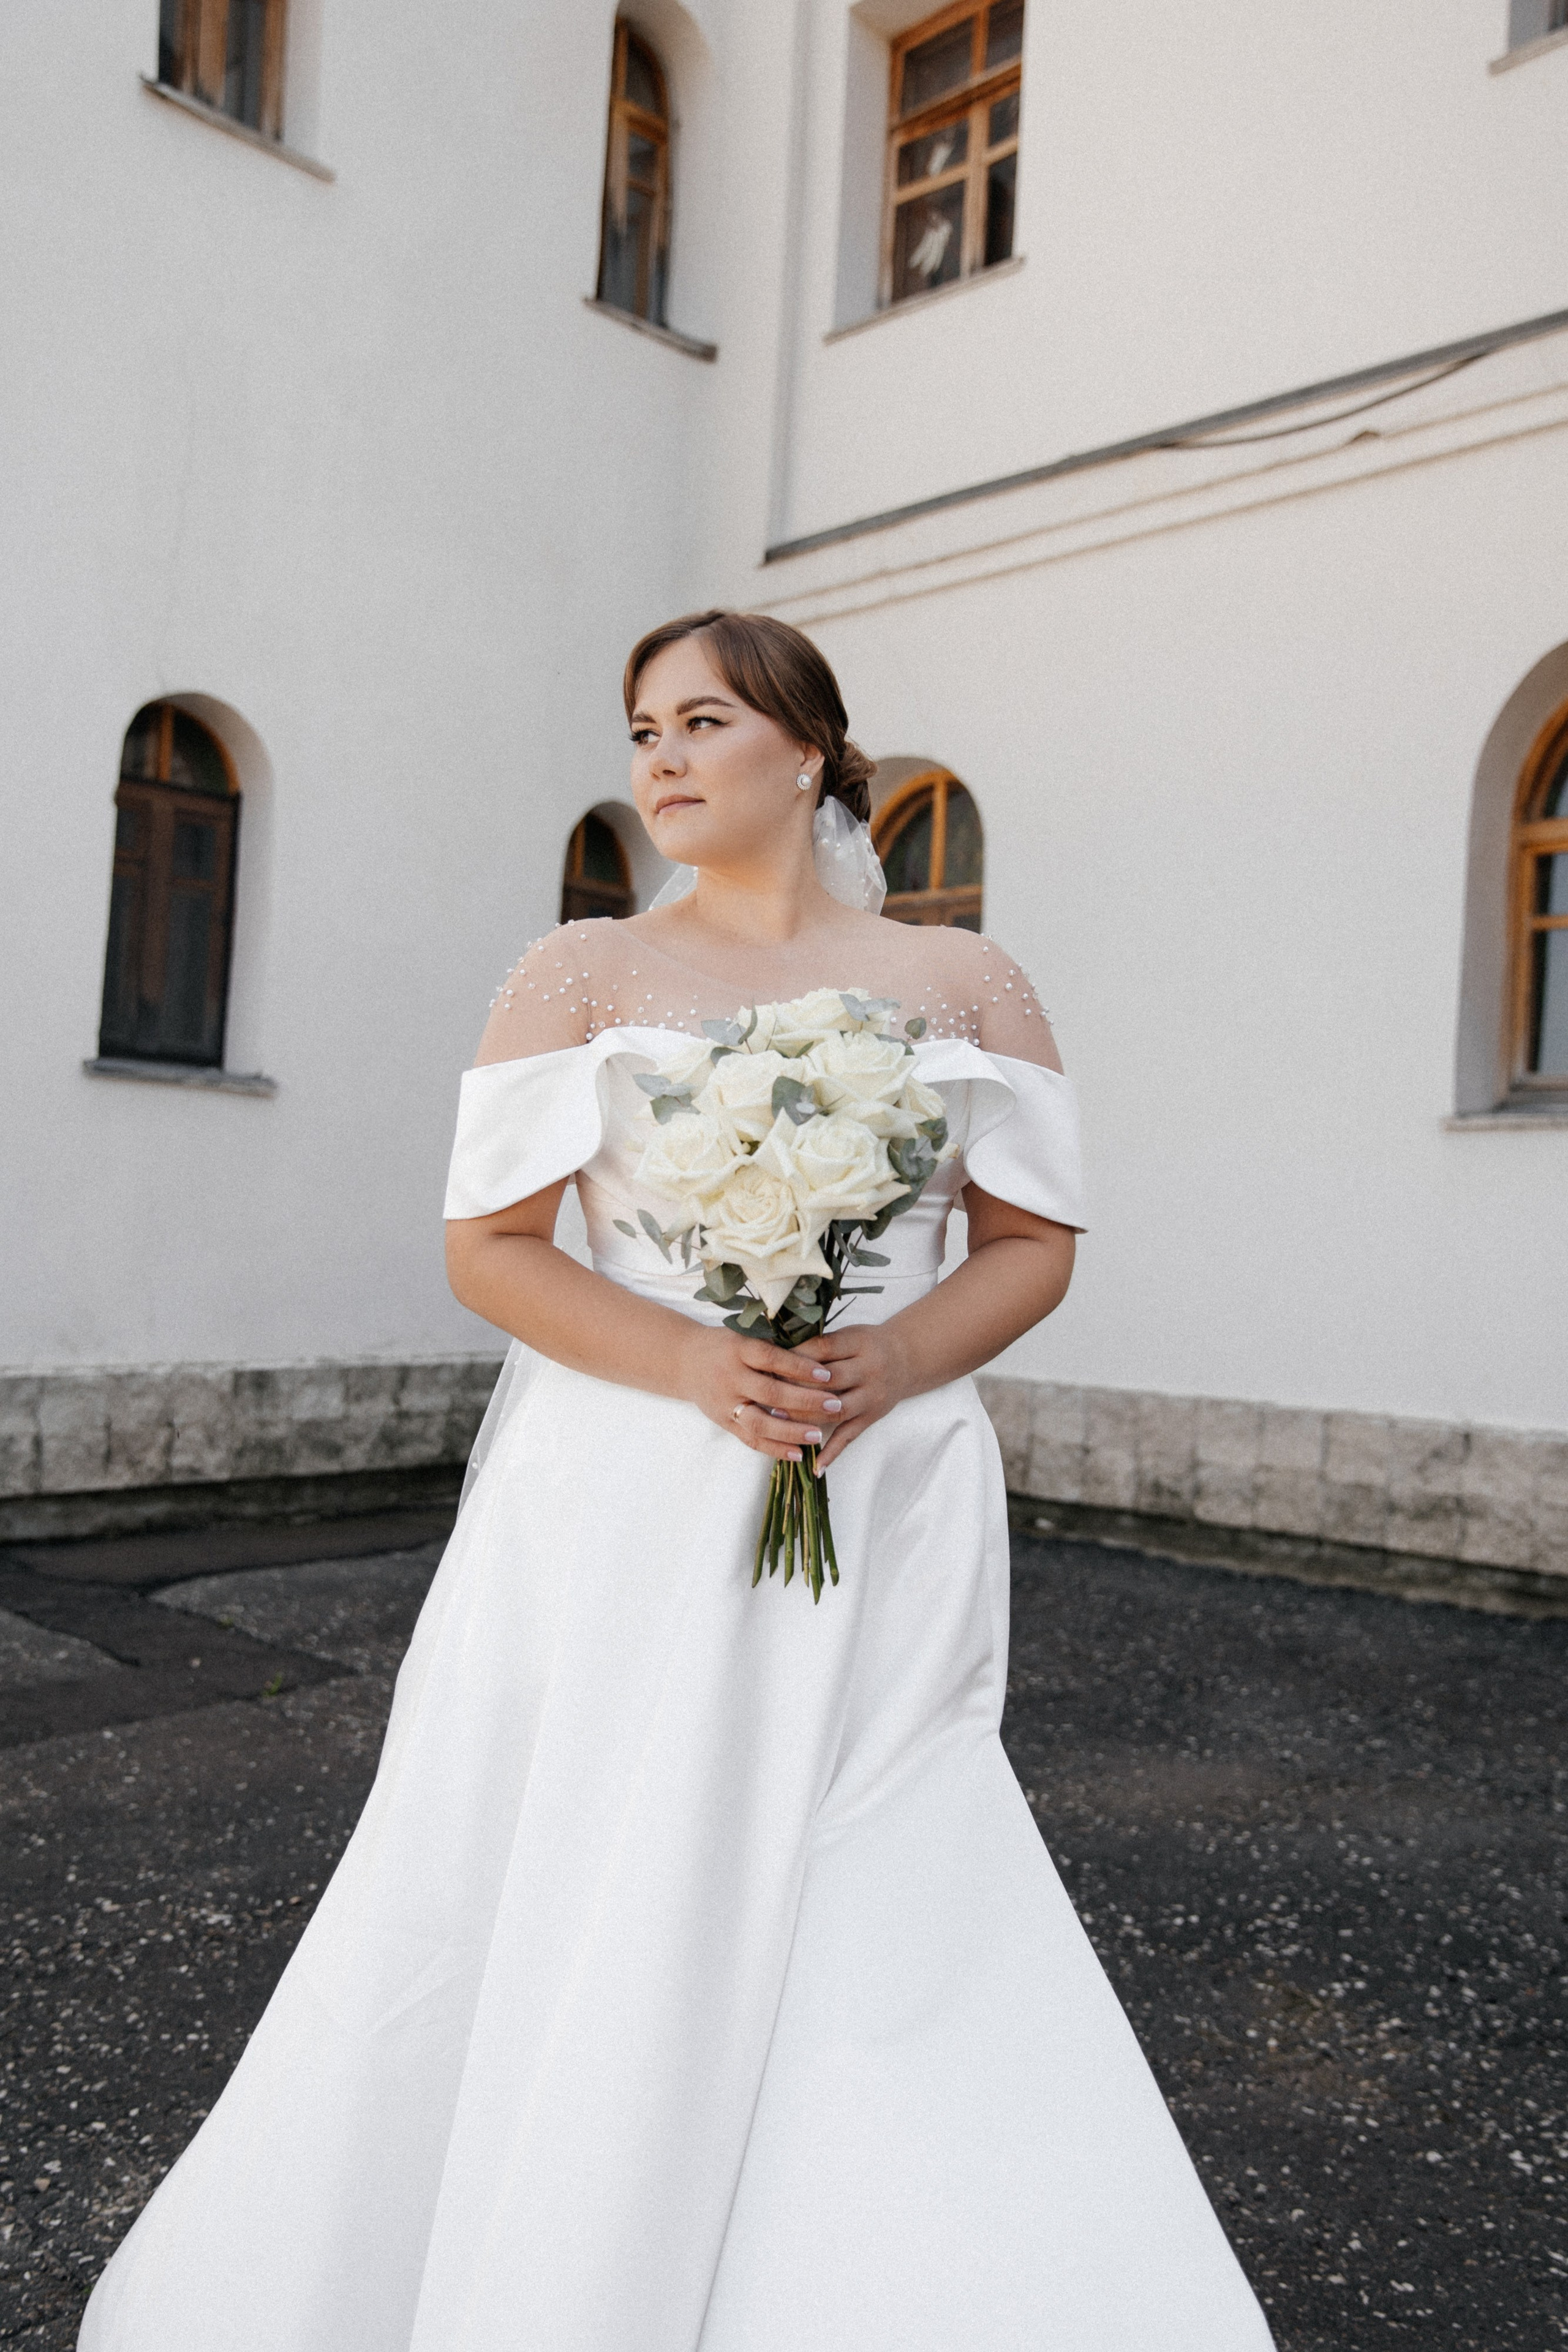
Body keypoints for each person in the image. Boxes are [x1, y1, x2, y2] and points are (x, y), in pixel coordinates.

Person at [79, 611, 1274, 2350]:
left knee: (880, 1853)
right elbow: (490, 1251)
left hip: (883, 1481)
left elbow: (1031, 1244)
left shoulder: (969, 987)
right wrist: (699, 1364)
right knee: (602, 1854)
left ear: (808, 747)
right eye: (643, 727)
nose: (659, 758)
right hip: (631, 1481)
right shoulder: (580, 973)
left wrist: (904, 1355)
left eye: (702, 720)